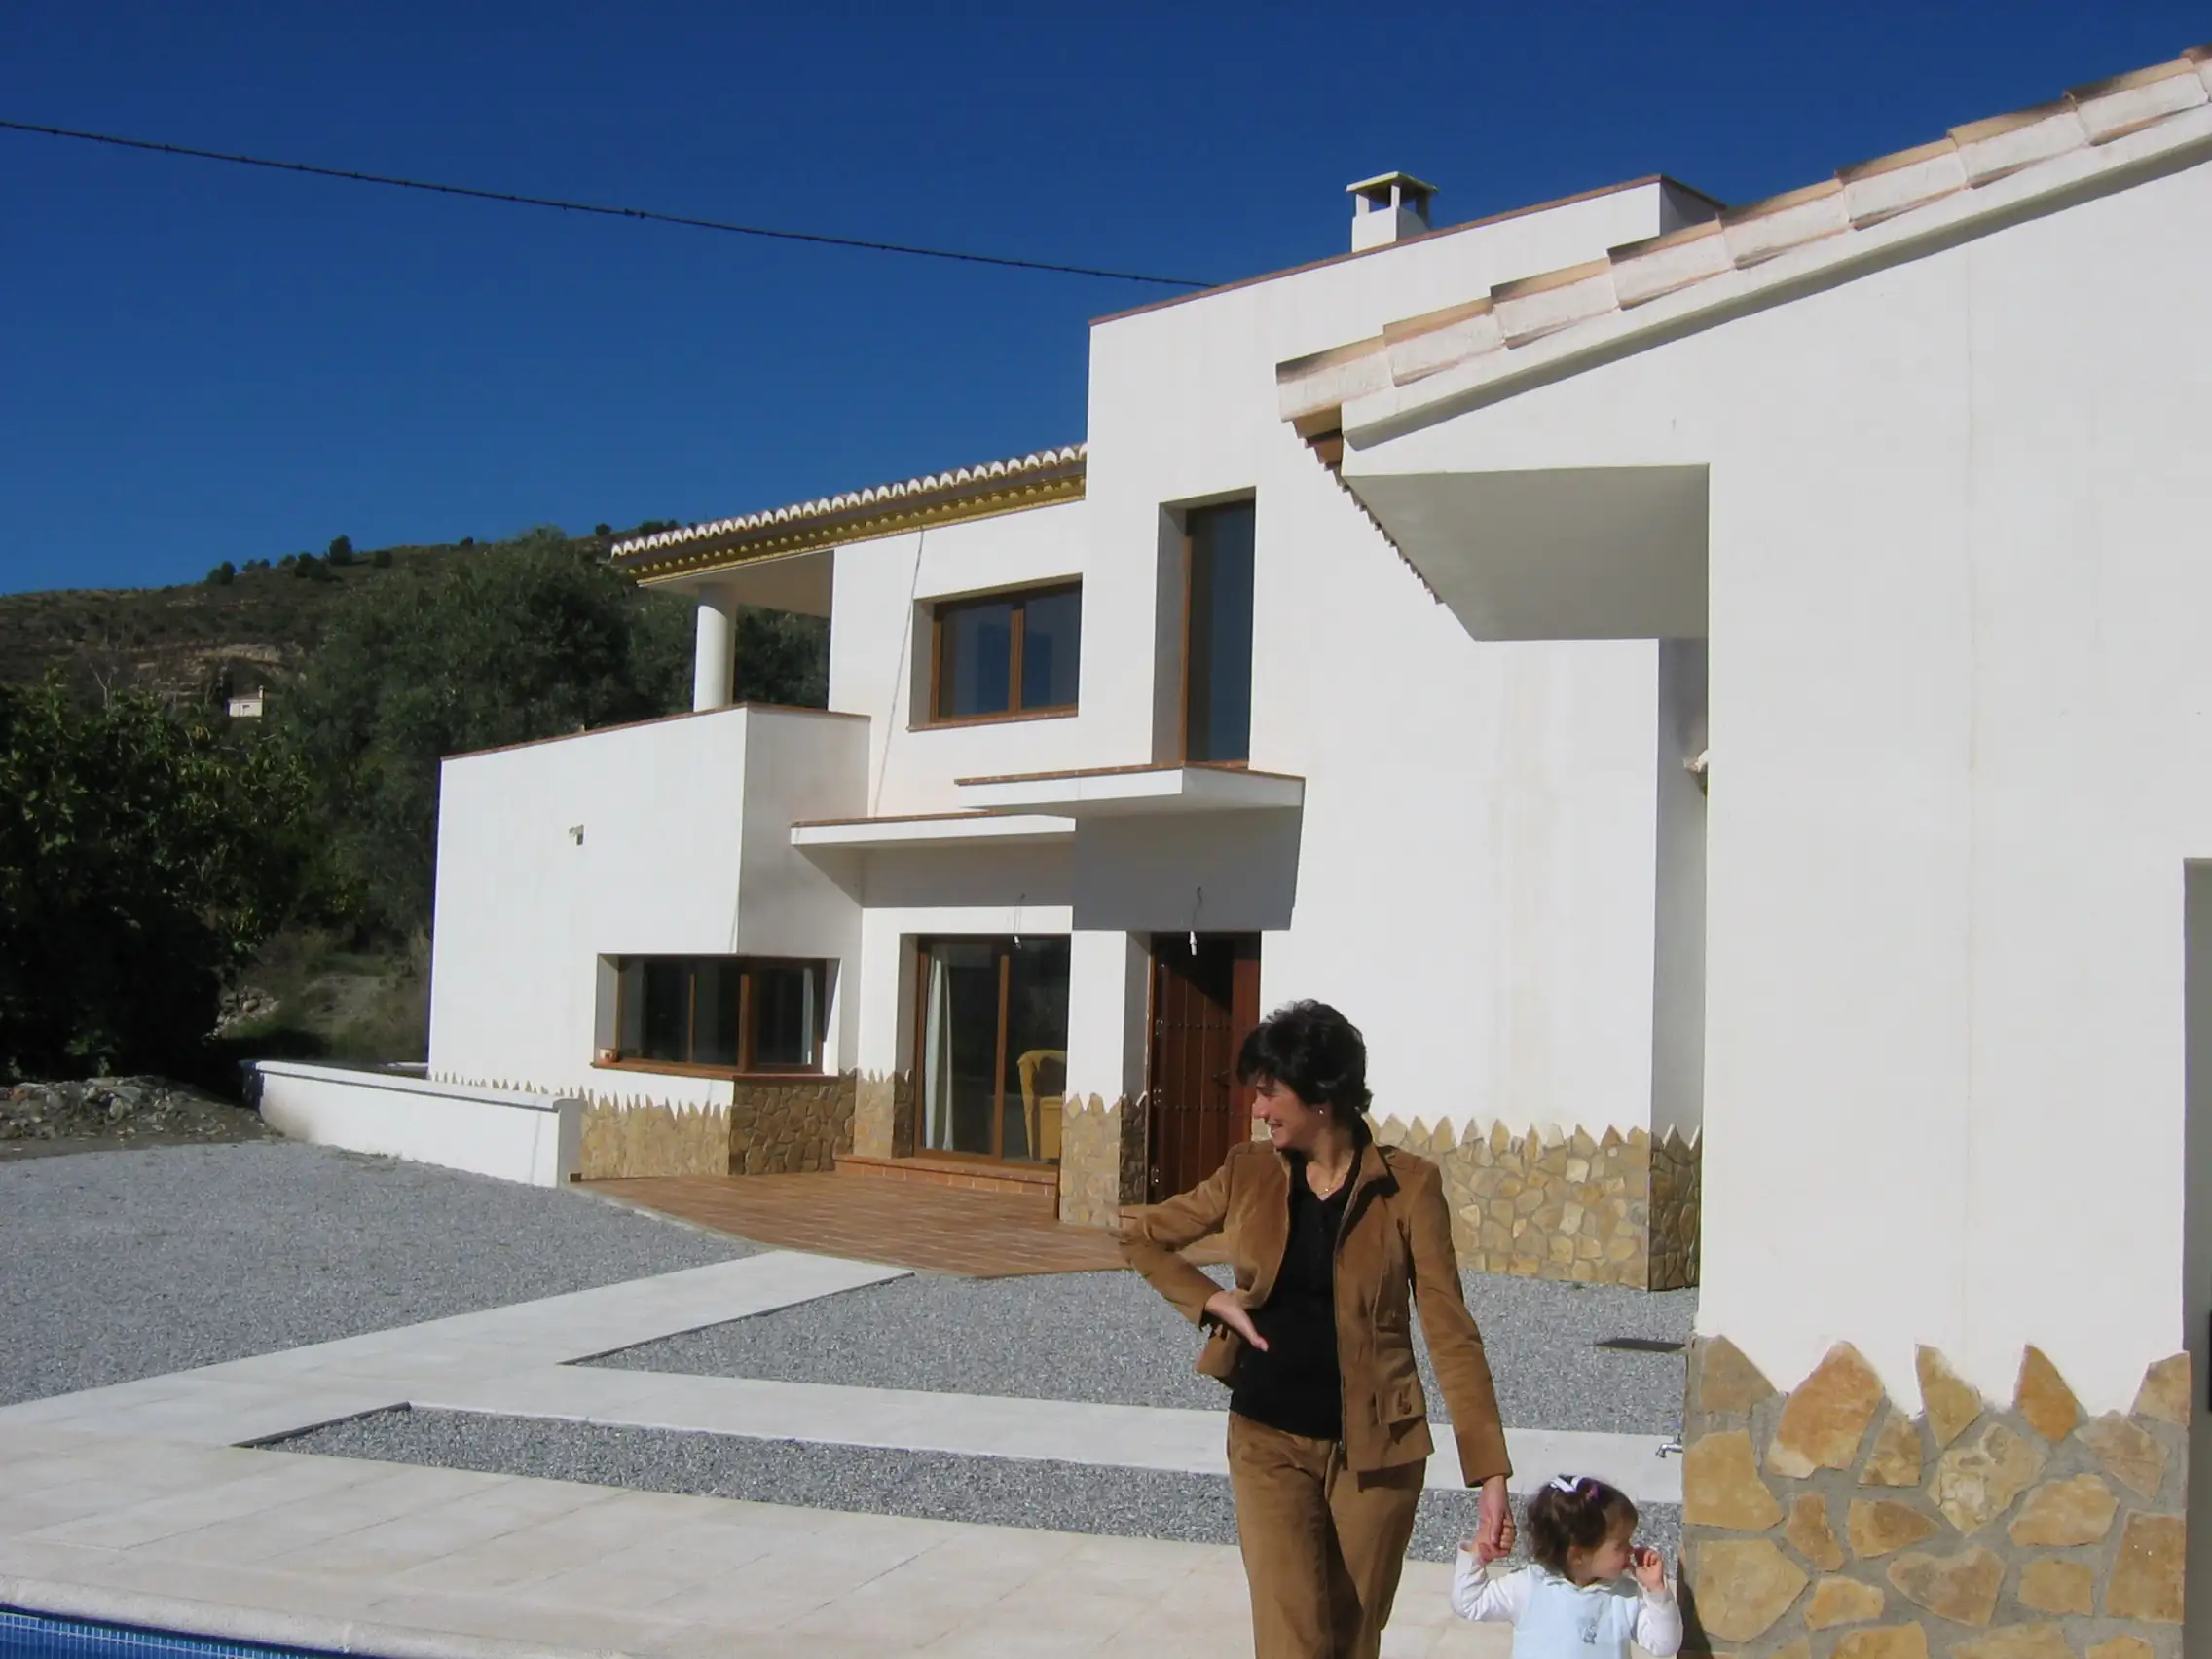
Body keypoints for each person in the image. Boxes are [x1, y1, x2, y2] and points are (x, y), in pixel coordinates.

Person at [1122, 999, 1514, 1659]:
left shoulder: (1409, 1188)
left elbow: (1451, 1332)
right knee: (1292, 1642)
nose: (1257, 1109)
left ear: (1322, 1098)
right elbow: (1141, 1236)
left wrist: (1490, 1473)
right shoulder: (1247, 1172)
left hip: (1379, 1455)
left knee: (1350, 1640)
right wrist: (1210, 1300)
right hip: (1267, 1440)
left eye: (1270, 1093)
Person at [1452, 1475, 1682, 1659]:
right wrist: (1477, 1553)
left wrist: (1657, 1591)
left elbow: (1664, 1645)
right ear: (1578, 1555)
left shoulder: (1624, 1597)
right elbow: (1469, 1603)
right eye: (1621, 1544)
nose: (1631, 1550)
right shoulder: (1529, 1586)